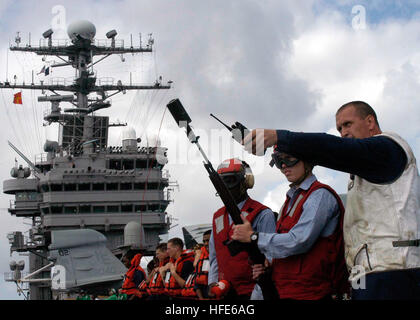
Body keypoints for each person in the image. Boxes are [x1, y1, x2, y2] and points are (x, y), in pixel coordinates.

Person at [242, 100, 420, 299]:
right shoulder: (363, 170)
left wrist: (279, 137)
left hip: (394, 272)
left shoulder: (389, 147)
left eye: (348, 124)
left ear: (370, 122)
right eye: (339, 128)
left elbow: (335, 149)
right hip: (369, 273)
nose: (343, 133)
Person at [232, 151, 348, 299]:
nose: (284, 166)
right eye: (279, 161)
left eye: (290, 159)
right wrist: (270, 263)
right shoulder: (290, 201)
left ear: (307, 161)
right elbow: (284, 244)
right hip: (288, 290)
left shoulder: (319, 195)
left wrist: (253, 237)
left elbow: (299, 240)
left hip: (314, 292)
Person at [208, 158, 277, 300]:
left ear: (245, 182)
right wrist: (212, 283)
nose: (226, 187)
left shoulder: (263, 214)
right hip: (224, 290)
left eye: (230, 180)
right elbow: (214, 255)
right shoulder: (217, 216)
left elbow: (271, 256)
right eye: (221, 183)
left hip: (254, 291)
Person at [181, 230, 212, 300]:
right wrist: (201, 298)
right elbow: (197, 283)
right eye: (204, 241)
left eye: (208, 240)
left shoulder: (222, 256)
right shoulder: (203, 260)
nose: (206, 243)